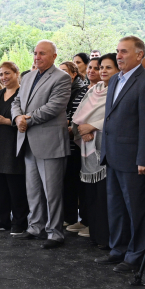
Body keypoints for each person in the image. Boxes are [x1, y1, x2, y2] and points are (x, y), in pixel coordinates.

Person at [97, 36, 145, 273]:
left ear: (140, 55)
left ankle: (136, 255)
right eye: (117, 51)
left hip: (134, 159)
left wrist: (144, 159)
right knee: (116, 207)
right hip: (113, 155)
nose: (119, 56)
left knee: (137, 210)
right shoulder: (114, 80)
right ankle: (118, 250)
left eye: (124, 52)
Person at [11, 40, 72, 249]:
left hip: (50, 142)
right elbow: (16, 102)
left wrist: (26, 120)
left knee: (52, 192)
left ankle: (55, 232)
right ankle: (35, 227)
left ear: (54, 56)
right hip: (28, 140)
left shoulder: (62, 78)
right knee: (33, 190)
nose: (37, 57)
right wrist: (17, 117)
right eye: (35, 53)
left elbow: (54, 107)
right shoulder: (27, 77)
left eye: (42, 54)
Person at [71, 53, 116, 246]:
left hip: (106, 148)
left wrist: (94, 126)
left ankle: (106, 238)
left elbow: (116, 116)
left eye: (107, 67)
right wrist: (83, 128)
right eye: (100, 67)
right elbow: (79, 113)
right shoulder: (94, 89)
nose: (102, 71)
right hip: (87, 145)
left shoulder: (117, 89)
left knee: (104, 197)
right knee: (91, 196)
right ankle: (96, 235)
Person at [0, 62, 29, 234]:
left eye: (7, 73)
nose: (4, 77)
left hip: (12, 148)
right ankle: (1, 220)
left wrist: (6, 122)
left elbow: (26, 120)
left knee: (16, 188)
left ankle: (19, 223)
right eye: (1, 74)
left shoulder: (23, 95)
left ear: (17, 74)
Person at [59, 61, 88, 231]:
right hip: (64, 140)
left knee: (74, 182)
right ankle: (67, 216)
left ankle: (76, 217)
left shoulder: (81, 91)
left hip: (77, 142)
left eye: (65, 72)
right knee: (66, 181)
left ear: (74, 74)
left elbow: (76, 116)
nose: (62, 75)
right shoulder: (63, 89)